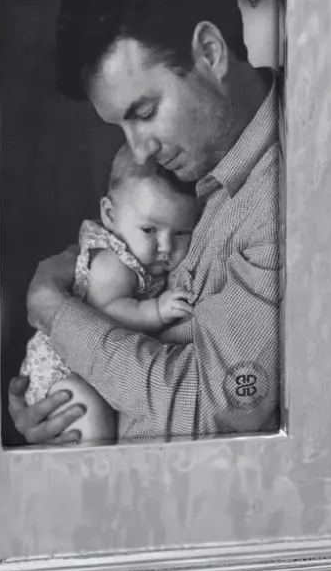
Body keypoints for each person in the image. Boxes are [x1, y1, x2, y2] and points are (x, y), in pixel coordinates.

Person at [7, 0, 282, 444]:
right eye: (122, 126)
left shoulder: (282, 197)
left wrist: (57, 314)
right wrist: (59, 401)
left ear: (210, 52)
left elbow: (217, 405)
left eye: (146, 111)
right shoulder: (192, 161)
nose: (139, 151)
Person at [19, 145, 199, 444]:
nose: (165, 247)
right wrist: (157, 310)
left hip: (95, 369)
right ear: (110, 215)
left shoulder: (143, 257)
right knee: (90, 421)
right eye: (149, 230)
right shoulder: (113, 262)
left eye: (181, 233)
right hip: (63, 370)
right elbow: (108, 311)